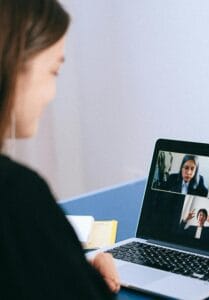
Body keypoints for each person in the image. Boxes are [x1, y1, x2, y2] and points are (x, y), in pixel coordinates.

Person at [0, 1, 120, 299]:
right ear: (14, 64)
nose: (53, 94)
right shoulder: (17, 194)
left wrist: (69, 269)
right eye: (54, 71)